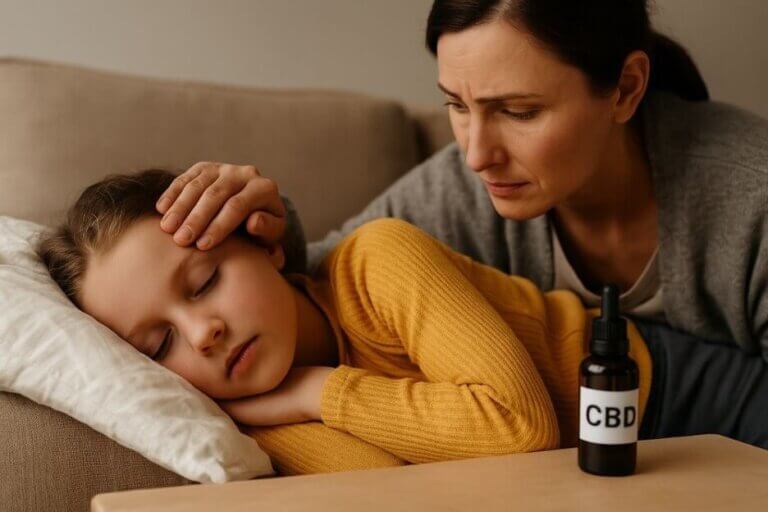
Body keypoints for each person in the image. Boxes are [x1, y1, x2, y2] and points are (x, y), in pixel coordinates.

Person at [151, 1, 768, 444]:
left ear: (626, 89)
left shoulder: (749, 190)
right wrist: (268, 228)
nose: (477, 154)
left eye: (519, 111)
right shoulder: (461, 187)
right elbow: (332, 280)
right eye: (456, 105)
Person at [40, 169, 661, 474]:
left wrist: (316, 391)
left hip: (661, 396)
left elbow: (520, 430)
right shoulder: (253, 432)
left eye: (205, 283)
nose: (203, 333)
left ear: (267, 245)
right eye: (160, 343)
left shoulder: (377, 261)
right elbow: (395, 494)